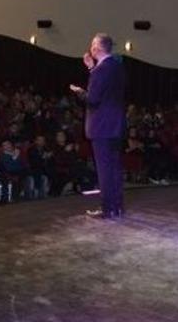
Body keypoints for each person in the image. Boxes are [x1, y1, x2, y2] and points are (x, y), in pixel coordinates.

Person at [70, 33, 126, 219]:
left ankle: (107, 208)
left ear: (98, 48)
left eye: (93, 44)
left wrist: (80, 92)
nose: (91, 47)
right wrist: (92, 68)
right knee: (115, 167)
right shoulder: (117, 66)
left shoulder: (100, 70)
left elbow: (93, 99)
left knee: (104, 169)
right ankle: (117, 206)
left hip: (101, 127)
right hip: (116, 125)